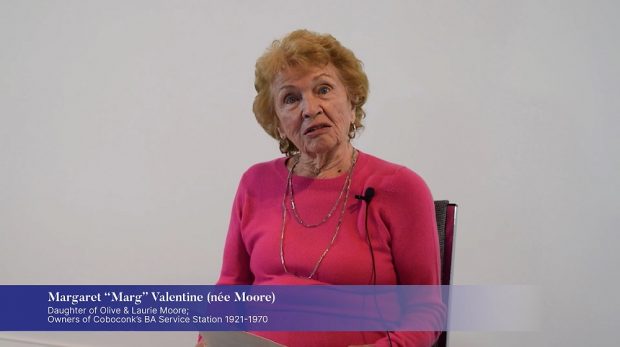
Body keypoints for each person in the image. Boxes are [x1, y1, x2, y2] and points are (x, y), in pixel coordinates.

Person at [199, 29, 444, 347]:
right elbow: (230, 287)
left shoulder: (400, 188)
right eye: (290, 98)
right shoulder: (254, 184)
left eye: (323, 89)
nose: (310, 108)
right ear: (277, 122)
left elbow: (426, 311)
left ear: (352, 98)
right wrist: (208, 338)